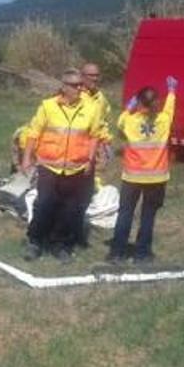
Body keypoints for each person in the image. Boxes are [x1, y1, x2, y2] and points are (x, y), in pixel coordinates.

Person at [21, 69, 103, 263]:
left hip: (76, 168)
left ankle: (60, 245)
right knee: (45, 203)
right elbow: (34, 133)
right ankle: (35, 241)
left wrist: (90, 160)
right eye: (75, 85)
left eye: (80, 85)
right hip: (50, 167)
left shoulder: (91, 108)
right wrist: (26, 158)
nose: (80, 89)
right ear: (64, 87)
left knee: (69, 208)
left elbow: (94, 136)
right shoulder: (48, 107)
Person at [107, 75, 178, 265]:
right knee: (148, 216)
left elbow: (120, 122)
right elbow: (170, 110)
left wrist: (130, 107)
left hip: (132, 177)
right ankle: (142, 254)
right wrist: (171, 92)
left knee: (125, 213)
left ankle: (117, 253)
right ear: (156, 103)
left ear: (139, 102)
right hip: (156, 178)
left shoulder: (130, 121)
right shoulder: (163, 120)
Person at [75, 62, 113, 247]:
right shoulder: (74, 96)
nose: (95, 79)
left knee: (86, 191)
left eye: (97, 75)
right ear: (82, 76)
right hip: (74, 151)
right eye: (91, 75)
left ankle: (81, 231)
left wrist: (105, 142)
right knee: (71, 191)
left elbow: (103, 121)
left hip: (92, 151)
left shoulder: (101, 99)